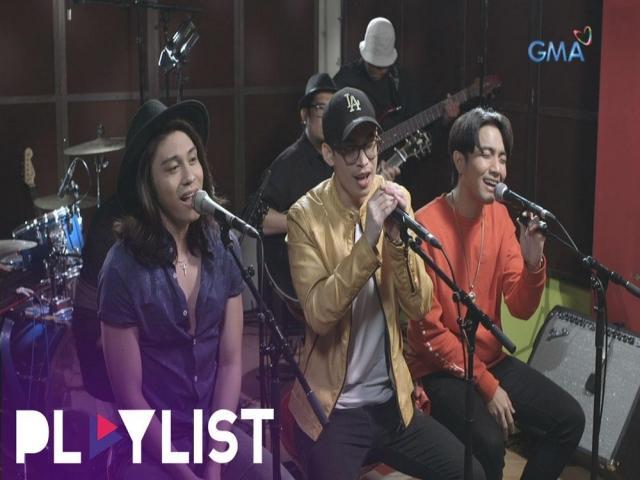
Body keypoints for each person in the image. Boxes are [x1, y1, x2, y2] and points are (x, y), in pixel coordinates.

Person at [286, 87, 485, 480]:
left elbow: (418, 305)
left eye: (370, 145)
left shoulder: (396, 197)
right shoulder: (304, 217)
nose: (364, 161)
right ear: (328, 154)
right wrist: (368, 241)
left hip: (392, 402)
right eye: (350, 149)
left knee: (471, 473)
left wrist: (396, 241)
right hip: (335, 410)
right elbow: (319, 315)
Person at [98, 99, 293, 480]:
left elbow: (231, 361)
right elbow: (129, 398)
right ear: (148, 185)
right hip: (150, 446)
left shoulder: (223, 246)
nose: (190, 177)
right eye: (173, 168)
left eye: (193, 160)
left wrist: (214, 462)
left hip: (213, 437)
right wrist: (187, 474)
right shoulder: (122, 269)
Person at [406, 107, 585, 480]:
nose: (498, 168)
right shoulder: (424, 225)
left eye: (502, 158)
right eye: (486, 155)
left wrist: (533, 263)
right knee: (488, 442)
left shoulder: (500, 217)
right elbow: (429, 336)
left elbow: (520, 307)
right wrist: (487, 387)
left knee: (569, 420)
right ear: (460, 161)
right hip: (440, 369)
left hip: (490, 358)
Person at [333, 17, 460, 183]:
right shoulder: (345, 80)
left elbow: (422, 131)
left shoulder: (402, 82)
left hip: (396, 173)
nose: (378, 70)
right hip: (353, 171)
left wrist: (445, 119)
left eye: (383, 66)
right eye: (373, 64)